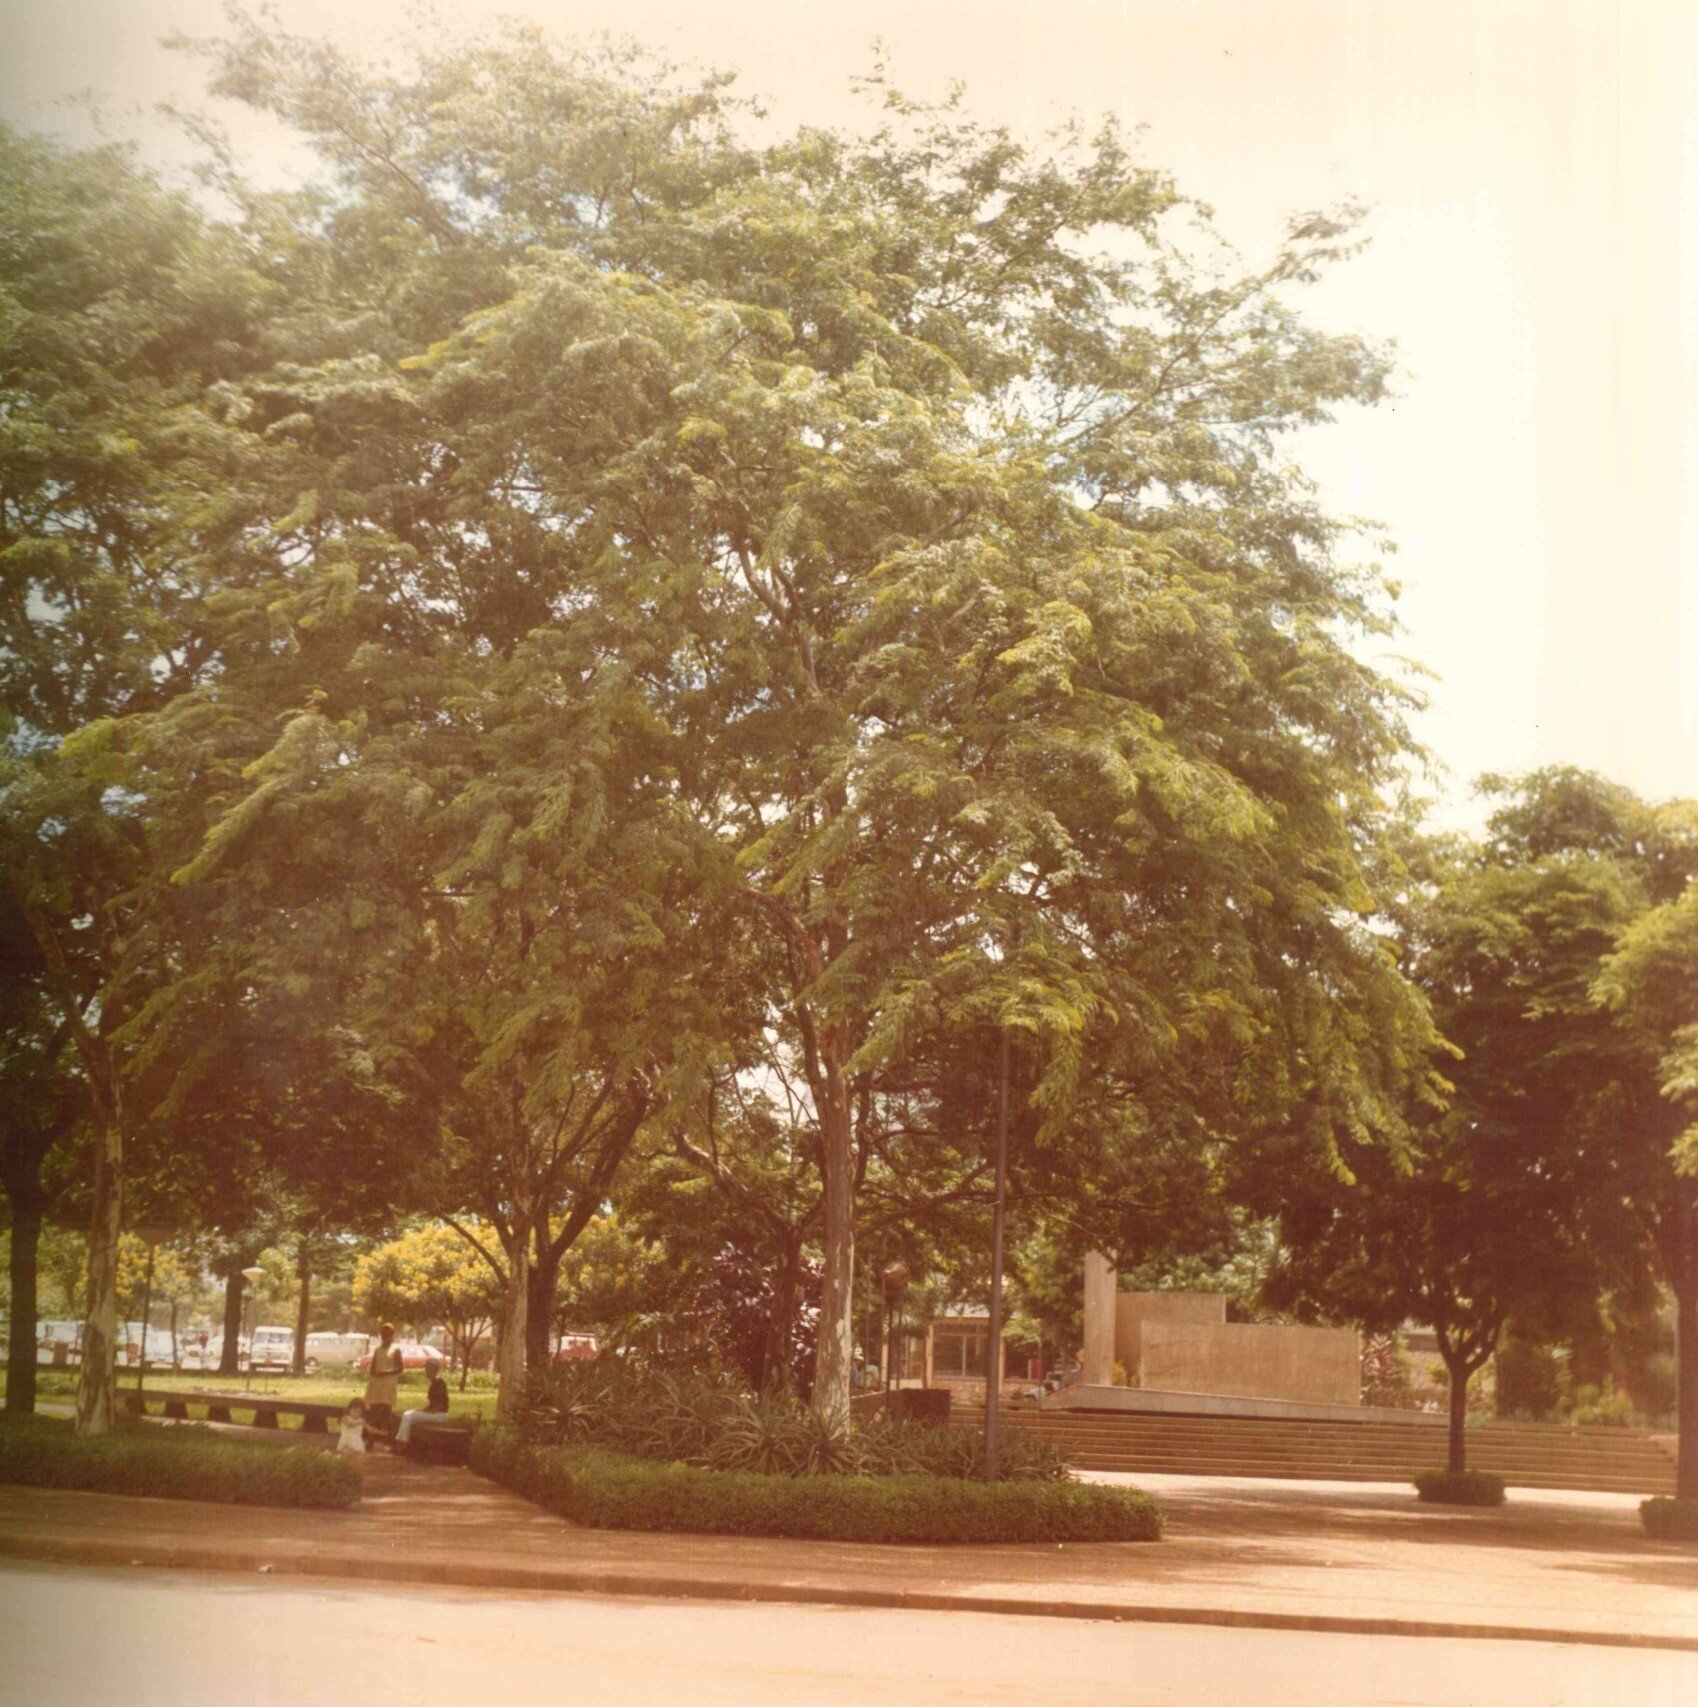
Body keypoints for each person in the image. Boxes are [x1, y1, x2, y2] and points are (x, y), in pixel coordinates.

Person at [393, 1359, 450, 1450]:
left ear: (434, 1370)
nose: (426, 1371)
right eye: (426, 1368)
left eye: (428, 1368)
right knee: (407, 1413)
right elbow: (431, 1404)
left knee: (409, 1416)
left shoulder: (440, 1383)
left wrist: (429, 1413)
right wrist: (421, 1410)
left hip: (440, 1415)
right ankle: (399, 1443)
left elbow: (441, 1405)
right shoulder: (433, 1384)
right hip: (434, 1413)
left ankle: (403, 1445)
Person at [362, 1324, 405, 1435]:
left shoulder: (395, 1350)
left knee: (385, 1410)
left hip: (388, 1384)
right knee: (373, 1409)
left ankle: (386, 1435)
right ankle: (373, 1434)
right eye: (383, 1335)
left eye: (387, 1335)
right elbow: (373, 1367)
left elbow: (400, 1368)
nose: (384, 1337)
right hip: (376, 1383)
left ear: (392, 1336)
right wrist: (374, 1373)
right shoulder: (377, 1350)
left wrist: (385, 1372)